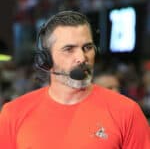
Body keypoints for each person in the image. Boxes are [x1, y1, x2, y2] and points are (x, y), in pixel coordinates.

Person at [0, 11, 149, 149]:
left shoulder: (127, 112)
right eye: (69, 49)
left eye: (87, 47)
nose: (82, 58)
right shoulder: (13, 114)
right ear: (46, 59)